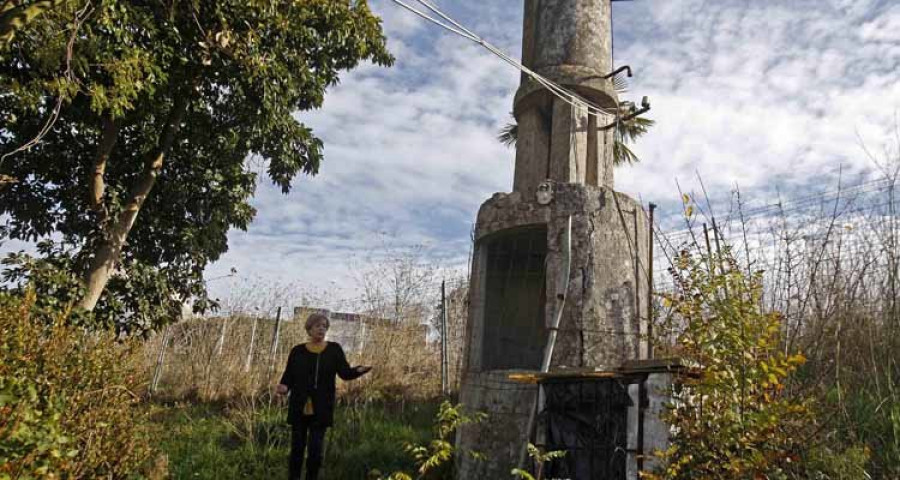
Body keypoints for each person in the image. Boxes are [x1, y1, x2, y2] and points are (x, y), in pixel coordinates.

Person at [275, 313, 372, 480]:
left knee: (315, 450)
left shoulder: (334, 350)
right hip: (299, 406)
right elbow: (289, 374)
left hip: (321, 407)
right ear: (309, 329)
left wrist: (358, 371)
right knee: (297, 449)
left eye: (324, 327)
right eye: (318, 326)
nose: (321, 329)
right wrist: (283, 386)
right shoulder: (297, 351)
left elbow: (344, 373)